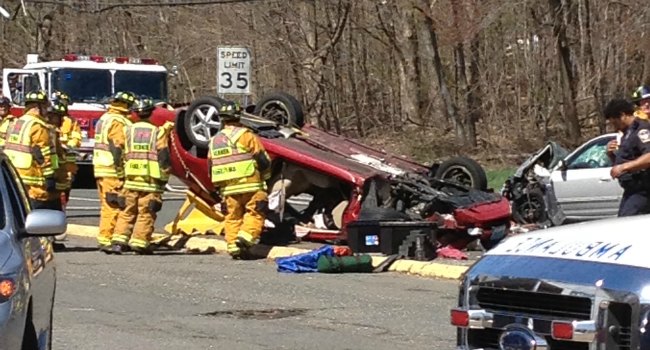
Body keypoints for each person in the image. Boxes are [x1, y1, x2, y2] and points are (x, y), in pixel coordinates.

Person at [208, 102, 272, 259]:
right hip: (251, 184)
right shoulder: (247, 136)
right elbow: (262, 159)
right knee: (255, 211)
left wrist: (217, 187)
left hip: (228, 188)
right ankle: (246, 237)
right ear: (239, 117)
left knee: (232, 217)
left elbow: (210, 166)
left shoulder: (214, 141)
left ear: (222, 120)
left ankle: (233, 246)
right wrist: (266, 177)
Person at [110, 97, 173, 254]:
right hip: (150, 182)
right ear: (151, 112)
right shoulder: (157, 132)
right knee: (146, 213)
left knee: (127, 211)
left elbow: (116, 152)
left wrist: (120, 173)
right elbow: (164, 157)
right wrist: (164, 179)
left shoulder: (126, 130)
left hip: (130, 180)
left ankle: (118, 241)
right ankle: (140, 242)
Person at [93, 91, 136, 252]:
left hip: (101, 168)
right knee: (115, 204)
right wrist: (120, 169)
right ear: (125, 104)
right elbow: (117, 147)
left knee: (106, 205)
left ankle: (104, 238)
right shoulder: (119, 121)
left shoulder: (105, 118)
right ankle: (109, 239)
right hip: (112, 170)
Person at [4, 90, 59, 209]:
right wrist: (50, 177)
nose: (46, 110)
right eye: (44, 106)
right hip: (32, 176)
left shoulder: (16, 122)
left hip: (14, 173)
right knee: (38, 210)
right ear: (36, 107)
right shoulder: (37, 126)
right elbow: (43, 153)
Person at [606, 98, 650, 216]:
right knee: (623, 221)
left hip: (643, 189)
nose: (614, 127)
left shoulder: (641, 129)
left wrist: (623, 167)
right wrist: (611, 155)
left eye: (614, 122)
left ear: (623, 115)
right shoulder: (627, 133)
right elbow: (624, 160)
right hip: (631, 190)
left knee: (626, 224)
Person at [53, 91, 81, 203]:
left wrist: (69, 146)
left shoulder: (72, 121)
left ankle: (63, 207)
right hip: (54, 158)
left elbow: (76, 138)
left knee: (66, 185)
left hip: (68, 161)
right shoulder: (48, 120)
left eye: (65, 103)